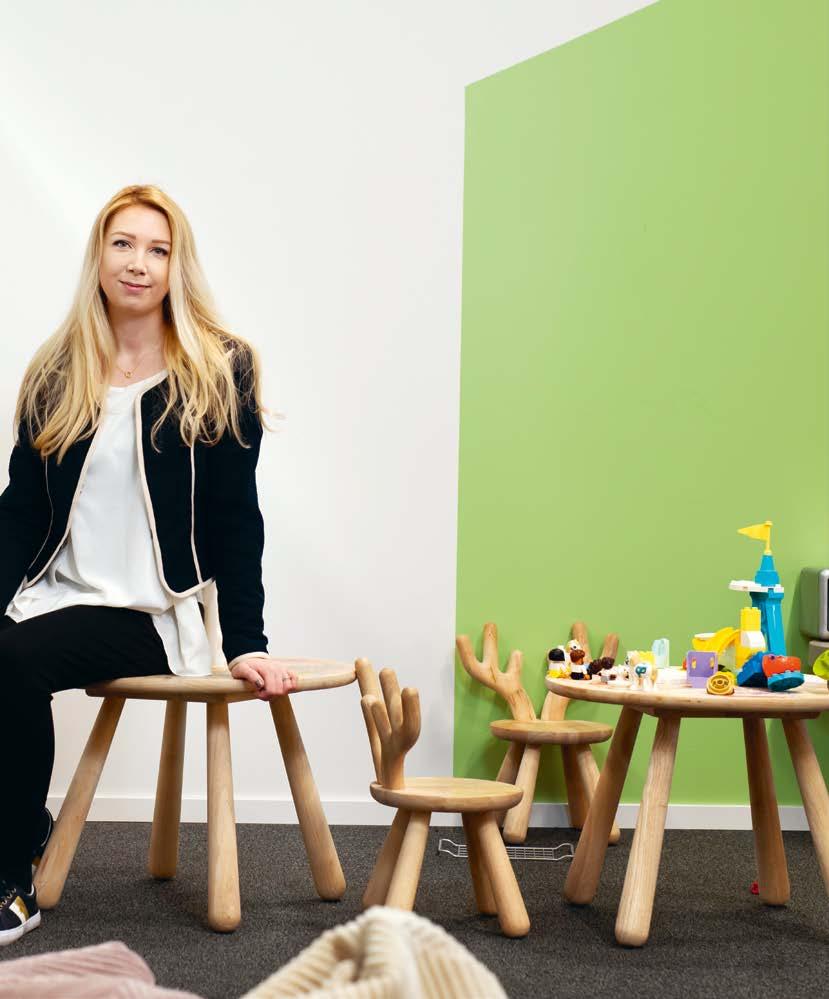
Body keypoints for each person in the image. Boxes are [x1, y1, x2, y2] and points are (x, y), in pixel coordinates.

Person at [0, 184, 297, 947]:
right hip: (55, 593)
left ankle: (11, 871)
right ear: (99, 257)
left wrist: (247, 641)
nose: (138, 263)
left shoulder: (218, 367)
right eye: (123, 244)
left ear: (176, 266)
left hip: (152, 610)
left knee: (13, 660)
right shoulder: (57, 370)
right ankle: (21, 823)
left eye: (158, 249)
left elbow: (236, 517)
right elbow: (20, 512)